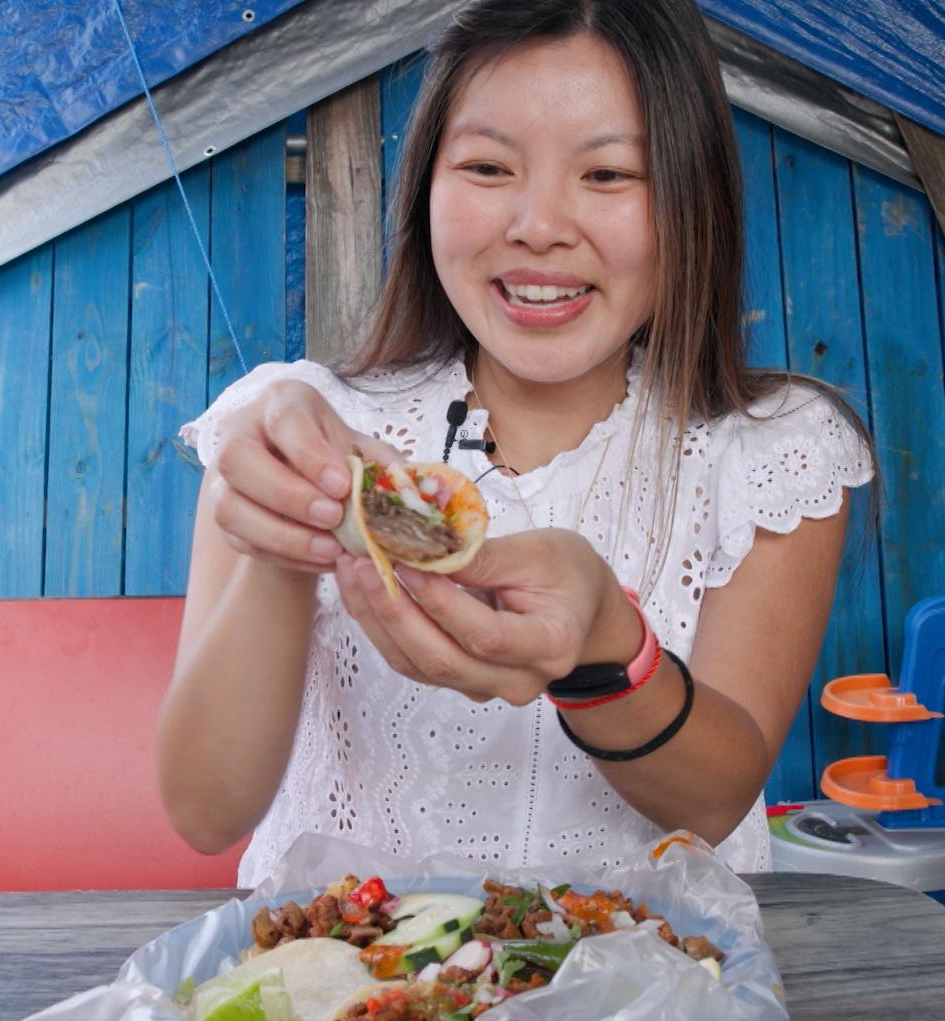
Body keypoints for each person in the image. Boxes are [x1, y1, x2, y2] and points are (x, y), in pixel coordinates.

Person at [158, 0, 875, 888]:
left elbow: (715, 799)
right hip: (348, 998)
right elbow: (206, 809)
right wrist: (288, 543)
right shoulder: (297, 426)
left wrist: (608, 646)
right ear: (424, 186)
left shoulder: (773, 455)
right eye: (489, 166)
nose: (538, 225)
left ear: (695, 201)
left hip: (643, 999)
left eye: (608, 175)